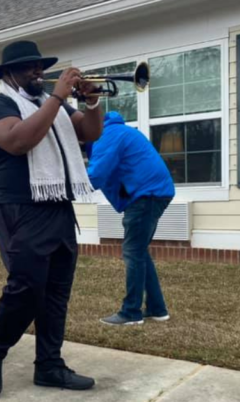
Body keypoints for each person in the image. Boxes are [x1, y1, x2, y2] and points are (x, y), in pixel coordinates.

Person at [0, 40, 103, 395]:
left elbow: (90, 132)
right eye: (30, 67)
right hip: (19, 210)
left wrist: (91, 101)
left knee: (56, 294)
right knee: (27, 290)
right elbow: (19, 141)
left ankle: (49, 365)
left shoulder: (49, 107)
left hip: (58, 207)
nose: (38, 72)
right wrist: (58, 98)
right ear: (8, 73)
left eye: (41, 66)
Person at [86, 112, 175, 326]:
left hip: (146, 195)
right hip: (154, 193)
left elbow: (96, 175)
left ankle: (131, 312)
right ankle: (157, 309)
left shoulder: (108, 135)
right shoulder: (119, 131)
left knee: (133, 251)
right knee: (139, 250)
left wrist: (63, 189)